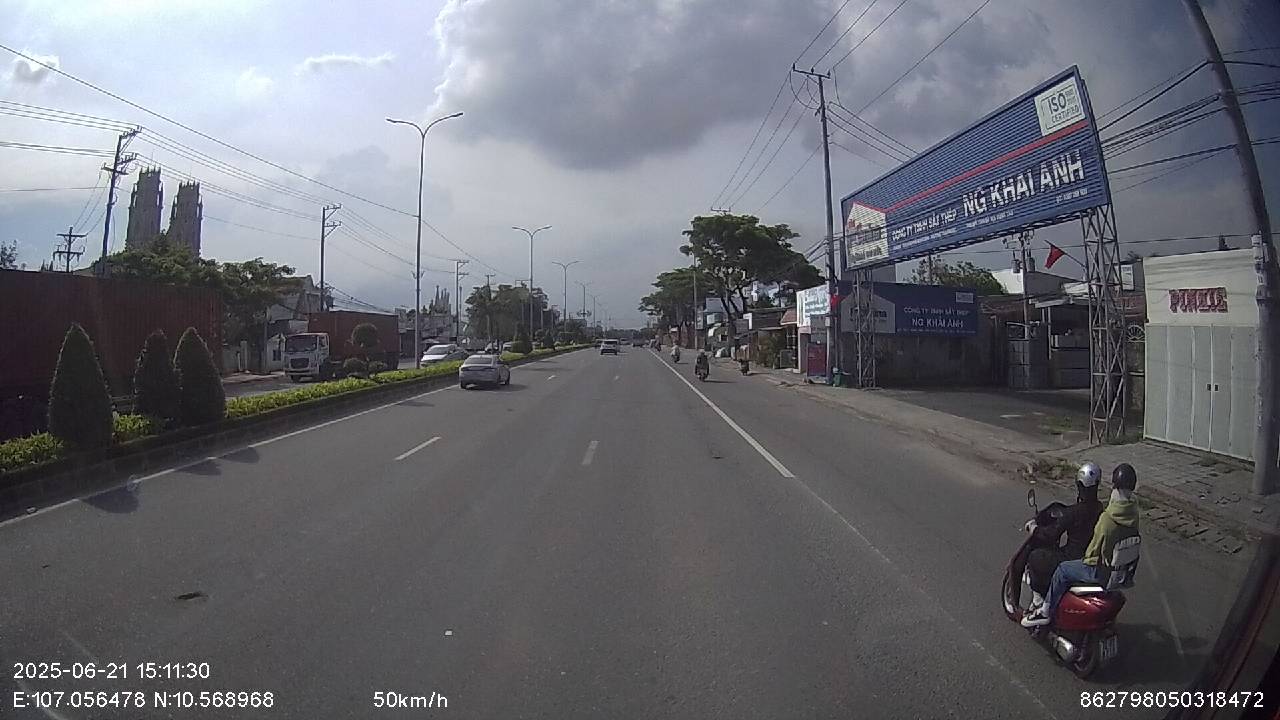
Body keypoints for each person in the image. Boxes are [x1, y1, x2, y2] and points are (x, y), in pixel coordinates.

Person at [1022, 463, 1141, 627]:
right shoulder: (1131, 515)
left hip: (1097, 568)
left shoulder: (1107, 519)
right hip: (1119, 571)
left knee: (1060, 569)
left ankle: (1045, 611)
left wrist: (1035, 529)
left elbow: (1094, 550)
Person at [1024, 462, 1104, 608]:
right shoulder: (1100, 508)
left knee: (1035, 557)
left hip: (1071, 558)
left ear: (1079, 485)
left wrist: (1034, 528)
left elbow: (1051, 534)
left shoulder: (1074, 512)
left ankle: (1038, 600)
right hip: (1090, 558)